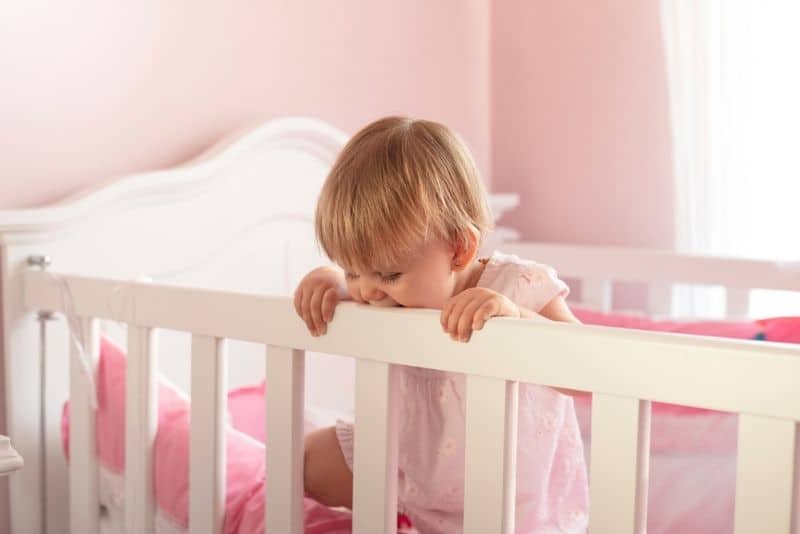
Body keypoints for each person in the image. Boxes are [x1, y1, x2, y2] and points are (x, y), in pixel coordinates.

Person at [294, 116, 588, 533]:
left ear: (459, 249)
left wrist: (518, 321)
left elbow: (590, 370)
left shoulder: (519, 286)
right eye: (354, 270)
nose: (370, 293)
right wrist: (332, 280)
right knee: (299, 460)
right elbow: (368, 284)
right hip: (407, 460)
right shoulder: (387, 287)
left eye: (389, 275)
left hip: (507, 498)